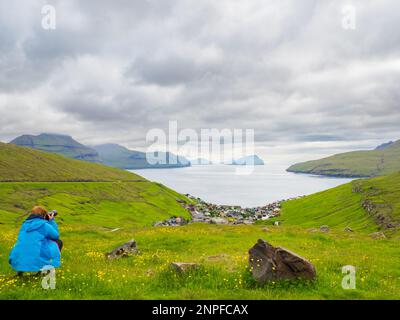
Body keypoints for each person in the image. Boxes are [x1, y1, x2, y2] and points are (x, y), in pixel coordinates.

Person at [9, 206, 62, 275]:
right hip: (36, 254)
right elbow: (55, 236)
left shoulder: (25, 224)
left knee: (28, 243)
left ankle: (19, 272)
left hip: (18, 256)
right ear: (43, 215)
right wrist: (51, 221)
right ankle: (43, 271)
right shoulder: (44, 225)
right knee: (58, 242)